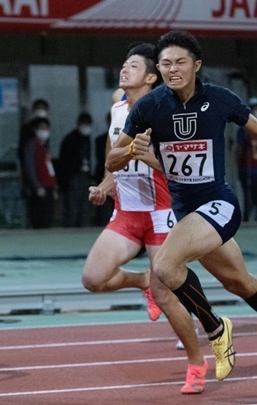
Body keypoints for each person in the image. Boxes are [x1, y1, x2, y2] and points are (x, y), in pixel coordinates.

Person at [107, 30, 257, 383]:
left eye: (181, 62)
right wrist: (133, 150)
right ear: (158, 69)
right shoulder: (149, 107)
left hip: (219, 203)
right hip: (187, 214)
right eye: (166, 63)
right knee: (242, 284)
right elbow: (112, 160)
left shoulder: (219, 99)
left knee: (165, 265)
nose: (173, 69)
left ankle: (217, 330)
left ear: (196, 65)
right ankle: (219, 326)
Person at [85, 42, 205, 393]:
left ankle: (196, 363)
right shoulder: (117, 106)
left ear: (152, 77)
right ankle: (142, 283)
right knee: (92, 278)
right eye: (123, 65)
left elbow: (184, 170)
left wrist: (150, 155)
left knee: (168, 296)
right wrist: (106, 184)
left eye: (133, 67)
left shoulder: (168, 113)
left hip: (161, 214)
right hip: (125, 211)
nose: (124, 70)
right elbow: (113, 154)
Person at [57, 112, 93, 227]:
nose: (86, 127)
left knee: (84, 207)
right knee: (72, 208)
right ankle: (70, 229)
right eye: (84, 124)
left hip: (85, 176)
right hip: (73, 177)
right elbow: (64, 162)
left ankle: (84, 228)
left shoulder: (87, 139)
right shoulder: (70, 140)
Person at [22, 117, 57, 228]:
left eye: (46, 128)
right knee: (40, 215)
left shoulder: (44, 145)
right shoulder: (32, 145)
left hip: (49, 184)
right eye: (41, 128)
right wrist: (36, 186)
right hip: (40, 186)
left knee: (48, 214)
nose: (44, 131)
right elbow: (30, 166)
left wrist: (54, 185)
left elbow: (49, 167)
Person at [235, 96, 257, 221]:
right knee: (249, 194)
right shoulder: (244, 130)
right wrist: (240, 166)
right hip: (249, 168)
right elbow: (240, 148)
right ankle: (248, 217)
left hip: (251, 168)